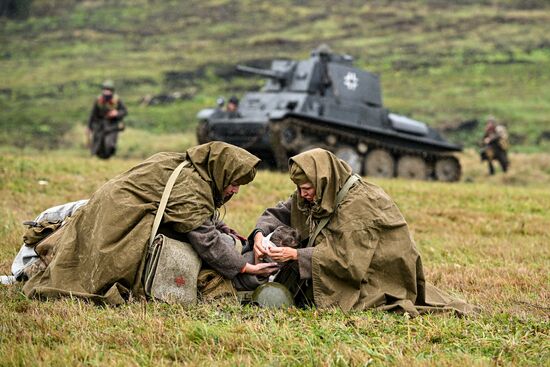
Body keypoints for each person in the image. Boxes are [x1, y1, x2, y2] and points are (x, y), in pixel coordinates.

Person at [23, 142, 279, 304]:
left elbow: (202, 217)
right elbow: (206, 240)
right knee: (109, 267)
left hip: (109, 206)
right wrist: (243, 267)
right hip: (121, 216)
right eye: (233, 183)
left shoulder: (191, 168)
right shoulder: (192, 186)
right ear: (221, 172)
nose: (235, 190)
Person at [249, 148, 476, 315]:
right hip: (348, 262)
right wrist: (259, 233)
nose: (302, 194)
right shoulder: (320, 191)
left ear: (323, 180)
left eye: (306, 189)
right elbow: (280, 212)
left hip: (375, 271)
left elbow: (348, 260)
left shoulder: (358, 206)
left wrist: (296, 255)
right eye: (298, 189)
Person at [87, 79, 128, 159]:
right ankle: (97, 159)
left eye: (108, 90)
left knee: (109, 144)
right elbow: (93, 114)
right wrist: (89, 126)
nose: (107, 92)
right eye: (105, 90)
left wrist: (116, 113)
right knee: (98, 144)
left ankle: (109, 157)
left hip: (112, 125)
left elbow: (124, 111)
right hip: (100, 125)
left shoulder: (117, 100)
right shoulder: (98, 100)